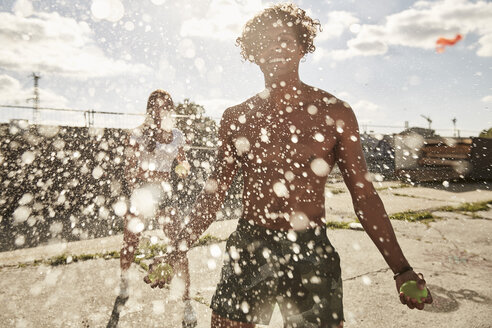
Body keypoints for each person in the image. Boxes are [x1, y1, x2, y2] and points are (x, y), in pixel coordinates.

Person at [145, 4, 432, 328]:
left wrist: (401, 268)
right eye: (264, 42)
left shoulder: (335, 114)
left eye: (283, 38)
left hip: (311, 249)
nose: (274, 49)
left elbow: (364, 197)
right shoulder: (237, 118)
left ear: (301, 46)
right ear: (252, 53)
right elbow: (213, 196)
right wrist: (177, 250)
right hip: (249, 246)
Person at [117, 89, 196, 326]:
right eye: (156, 106)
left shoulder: (177, 135)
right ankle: (123, 280)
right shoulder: (137, 133)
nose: (161, 110)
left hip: (165, 192)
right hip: (142, 191)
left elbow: (182, 160)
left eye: (165, 106)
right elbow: (129, 169)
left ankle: (187, 300)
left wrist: (184, 166)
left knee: (178, 245)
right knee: (130, 242)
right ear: (150, 108)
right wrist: (137, 194)